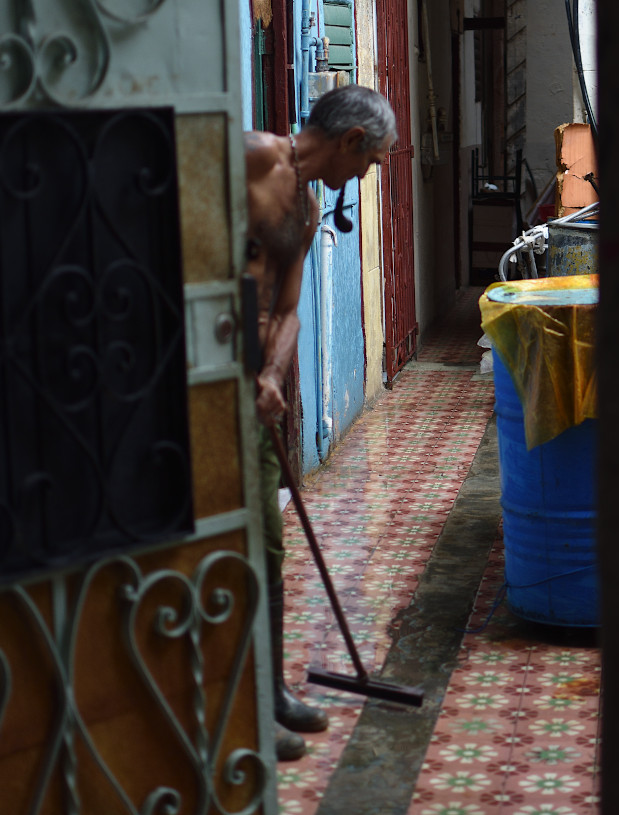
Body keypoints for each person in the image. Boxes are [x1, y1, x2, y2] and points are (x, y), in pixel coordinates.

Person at [245, 84, 396, 761]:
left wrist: (274, 373)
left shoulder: (306, 210)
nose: (360, 177)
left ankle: (269, 690)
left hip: (256, 394)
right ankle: (235, 706)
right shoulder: (249, 159)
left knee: (267, 544)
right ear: (351, 142)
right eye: (368, 164)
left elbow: (288, 306)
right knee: (226, 547)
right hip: (205, 387)